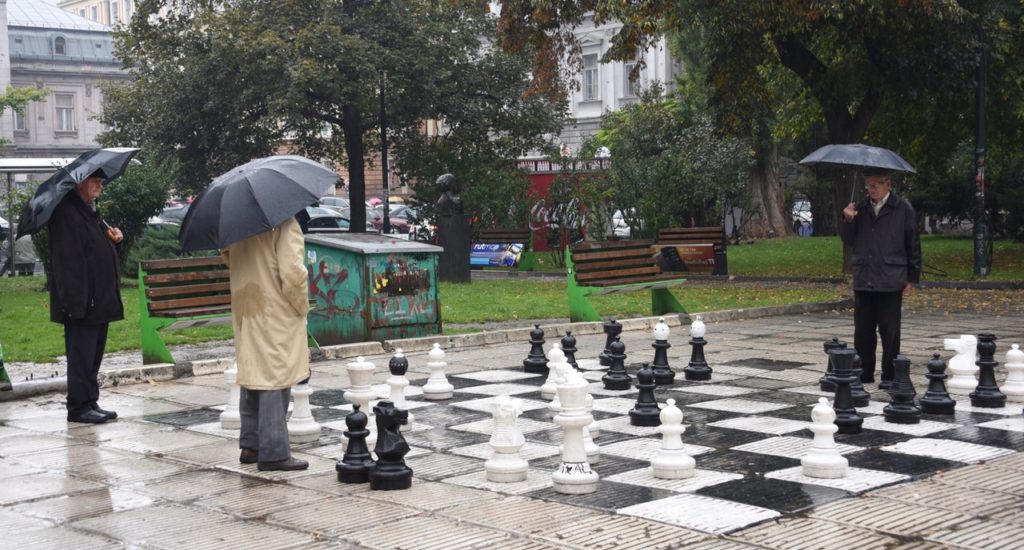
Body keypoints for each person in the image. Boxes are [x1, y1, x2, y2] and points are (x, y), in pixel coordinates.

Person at [222, 216, 311, 471]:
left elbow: (228, 257)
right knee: (275, 375)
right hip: (275, 308)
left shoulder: (237, 221)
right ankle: (274, 452)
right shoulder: (284, 223)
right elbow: (293, 274)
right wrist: (302, 307)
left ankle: (251, 445)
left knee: (253, 372)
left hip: (246, 305)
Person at [48, 169, 124, 423]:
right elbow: (68, 262)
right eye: (95, 181)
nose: (99, 186)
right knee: (81, 356)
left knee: (94, 354)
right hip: (82, 301)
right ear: (79, 182)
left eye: (102, 182)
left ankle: (90, 400)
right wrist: (75, 303)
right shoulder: (66, 213)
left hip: (99, 299)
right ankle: (78, 407)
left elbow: (94, 249)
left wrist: (114, 241)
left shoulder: (89, 212)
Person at [839, 167, 922, 389]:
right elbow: (848, 240)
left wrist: (912, 276)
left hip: (891, 277)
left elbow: (912, 243)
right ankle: (864, 372)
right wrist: (847, 220)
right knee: (863, 330)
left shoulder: (903, 208)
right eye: (868, 185)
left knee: (890, 330)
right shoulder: (859, 207)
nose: (871, 189)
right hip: (865, 275)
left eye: (875, 184)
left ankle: (890, 374)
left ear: (888, 184)